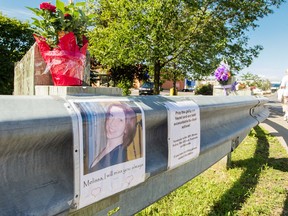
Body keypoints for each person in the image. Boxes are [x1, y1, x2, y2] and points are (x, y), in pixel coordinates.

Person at [90, 103, 137, 171]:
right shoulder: (107, 149)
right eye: (111, 115)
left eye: (120, 120)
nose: (112, 123)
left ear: (126, 128)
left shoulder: (116, 157)